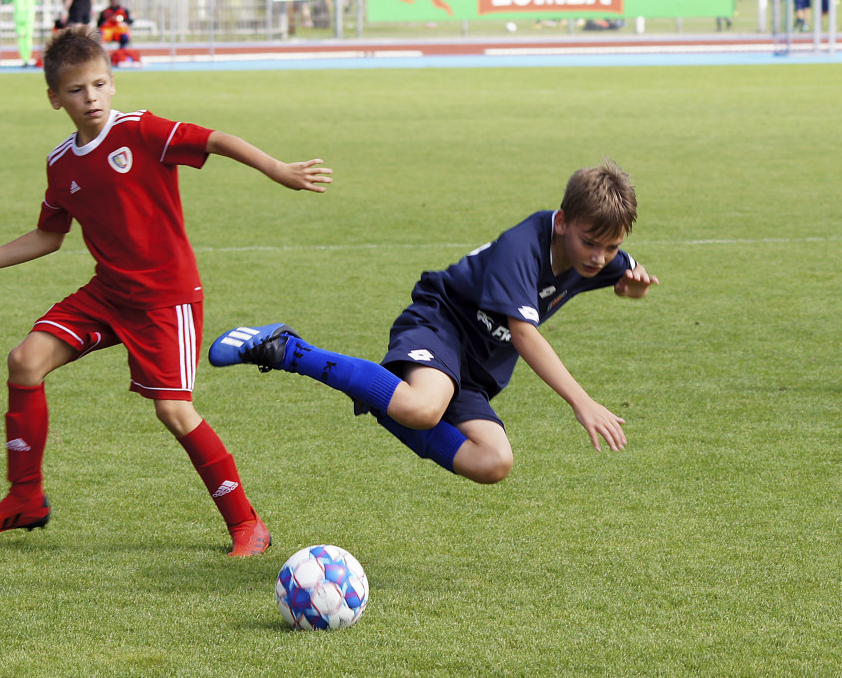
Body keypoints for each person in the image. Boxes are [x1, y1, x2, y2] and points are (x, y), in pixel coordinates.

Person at [0, 25, 333, 556]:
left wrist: (277, 169)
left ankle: (246, 524)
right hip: (109, 294)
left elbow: (214, 139)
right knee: (24, 361)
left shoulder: (140, 131)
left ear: (112, 83)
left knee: (173, 410)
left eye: (99, 84)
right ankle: (24, 499)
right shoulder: (61, 163)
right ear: (55, 98)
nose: (91, 97)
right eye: (76, 90)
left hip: (167, 298)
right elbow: (50, 236)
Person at [209, 160, 659, 485]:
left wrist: (631, 287)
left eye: (611, 247)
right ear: (562, 222)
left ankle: (377, 392)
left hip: (478, 368)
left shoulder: (600, 258)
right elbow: (524, 333)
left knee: (493, 463)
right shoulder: (522, 247)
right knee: (422, 410)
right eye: (590, 243)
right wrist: (581, 401)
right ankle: (286, 349)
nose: (599, 257)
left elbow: (626, 277)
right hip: (441, 323)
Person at [6, 0, 36, 66]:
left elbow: (6, 0)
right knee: (27, 39)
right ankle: (26, 59)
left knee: (22, 39)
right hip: (28, 17)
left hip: (20, 17)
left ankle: (25, 59)